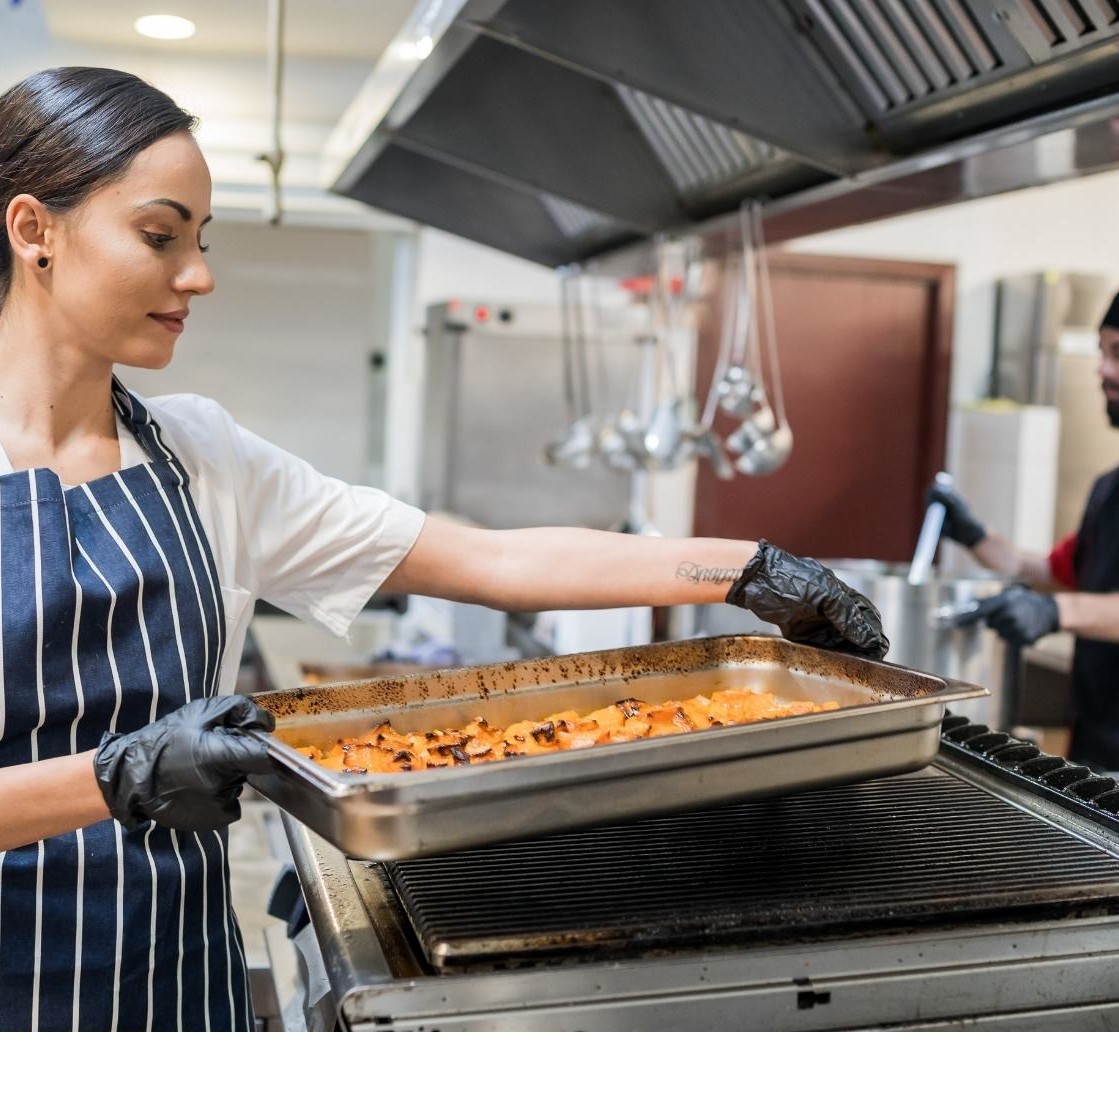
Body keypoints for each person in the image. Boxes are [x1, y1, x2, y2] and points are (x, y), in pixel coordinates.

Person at [0, 66, 887, 1032]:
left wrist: (744, 569)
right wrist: (117, 777)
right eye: (159, 236)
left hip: (178, 988)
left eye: (201, 242)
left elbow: (492, 561)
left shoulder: (200, 453)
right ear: (34, 229)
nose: (200, 274)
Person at [928, 291, 1119, 774]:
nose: (1102, 370)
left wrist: (1055, 611)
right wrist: (977, 537)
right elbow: (1059, 574)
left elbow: (1065, 600)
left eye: (1118, 353)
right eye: (1101, 352)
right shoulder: (1109, 489)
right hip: (1097, 757)